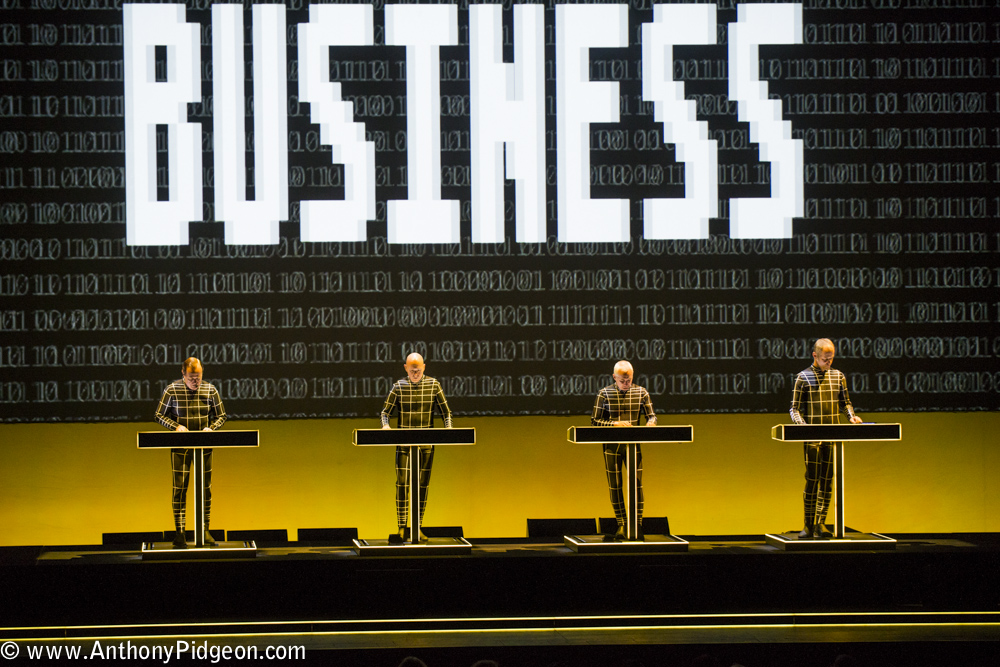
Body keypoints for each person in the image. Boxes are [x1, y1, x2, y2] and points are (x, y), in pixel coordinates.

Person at [789, 338, 862, 539]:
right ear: (815, 356)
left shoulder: (838, 376)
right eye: (824, 359)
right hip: (812, 437)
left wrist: (851, 416)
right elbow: (794, 408)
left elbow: (845, 402)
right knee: (812, 480)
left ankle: (821, 523)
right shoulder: (802, 377)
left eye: (831, 359)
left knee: (827, 481)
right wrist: (802, 426)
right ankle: (808, 524)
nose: (828, 362)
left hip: (833, 436)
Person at [154, 357, 228, 548]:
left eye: (198, 377)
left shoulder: (210, 390)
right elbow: (159, 415)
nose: (195, 382)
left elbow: (222, 415)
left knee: (206, 488)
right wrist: (175, 426)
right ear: (183, 373)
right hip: (181, 446)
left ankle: (205, 530)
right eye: (191, 378)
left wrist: (211, 428)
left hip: (203, 445)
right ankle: (180, 533)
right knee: (179, 489)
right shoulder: (172, 390)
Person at [380, 353, 453, 542]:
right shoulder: (399, 386)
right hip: (404, 443)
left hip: (426, 444)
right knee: (402, 484)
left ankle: (418, 526)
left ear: (424, 367)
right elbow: (385, 412)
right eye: (412, 370)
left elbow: (446, 412)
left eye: (418, 370)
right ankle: (402, 527)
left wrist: (449, 429)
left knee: (422, 485)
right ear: (405, 368)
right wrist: (385, 426)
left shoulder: (434, 385)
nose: (415, 373)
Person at [591, 360, 657, 540]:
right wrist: (614, 423)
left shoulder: (641, 392)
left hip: (633, 444)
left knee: (636, 484)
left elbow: (651, 416)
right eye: (622, 380)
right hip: (611, 446)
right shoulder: (604, 394)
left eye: (628, 380)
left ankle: (637, 524)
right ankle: (621, 523)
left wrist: (651, 423)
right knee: (615, 485)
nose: (626, 384)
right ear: (614, 377)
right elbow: (595, 422)